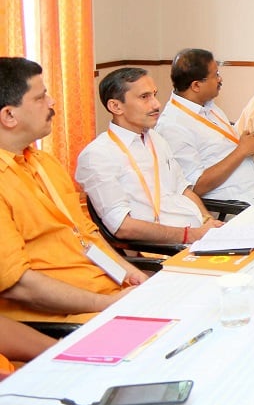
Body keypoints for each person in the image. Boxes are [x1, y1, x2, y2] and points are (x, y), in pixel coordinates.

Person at [0, 57, 147, 323]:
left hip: (108, 291)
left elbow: (85, 235)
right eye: (41, 97)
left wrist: (128, 273)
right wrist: (107, 304)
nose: (52, 102)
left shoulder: (44, 162)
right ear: (9, 115)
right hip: (70, 317)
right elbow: (18, 284)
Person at [77, 68, 221, 245]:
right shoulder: (98, 155)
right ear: (115, 106)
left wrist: (207, 220)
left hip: (200, 235)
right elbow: (123, 227)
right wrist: (192, 235)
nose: (156, 104)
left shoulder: (156, 138)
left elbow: (183, 189)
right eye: (144, 97)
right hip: (168, 249)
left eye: (154, 94)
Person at [155, 49, 254, 201]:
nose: (220, 79)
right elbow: (196, 187)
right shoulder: (173, 126)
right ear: (196, 85)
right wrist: (242, 151)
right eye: (215, 75)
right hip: (232, 205)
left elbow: (221, 149)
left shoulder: (207, 105)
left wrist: (248, 144)